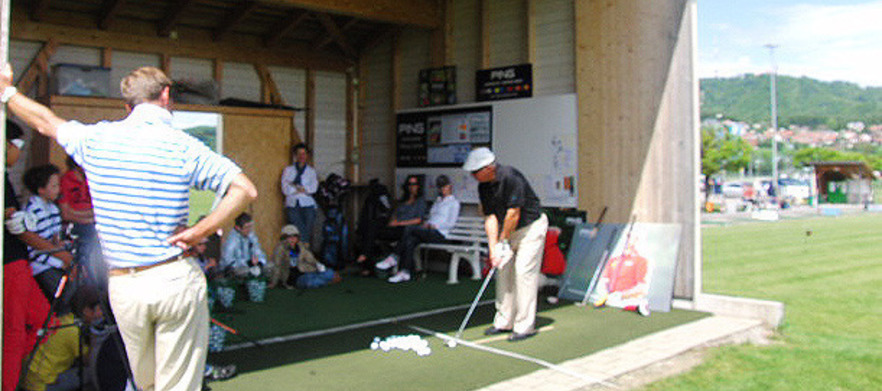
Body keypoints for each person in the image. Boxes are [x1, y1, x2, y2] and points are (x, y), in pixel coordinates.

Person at [0, 65, 258, 391]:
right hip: (173, 277)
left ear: (127, 105)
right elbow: (245, 190)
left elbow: (46, 123)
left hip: (124, 286)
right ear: (165, 96)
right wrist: (200, 230)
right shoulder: (182, 145)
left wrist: (8, 93)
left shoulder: (98, 138)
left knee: (141, 384)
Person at [462, 147, 548, 342]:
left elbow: (513, 214)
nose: (473, 176)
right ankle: (503, 321)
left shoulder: (511, 177)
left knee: (523, 272)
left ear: (489, 168)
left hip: (530, 228)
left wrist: (503, 242)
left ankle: (524, 326)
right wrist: (494, 248)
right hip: (507, 231)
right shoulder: (483, 186)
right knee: (503, 272)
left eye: (476, 172)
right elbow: (491, 216)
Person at [3, 120, 52, 391]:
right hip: (11, 264)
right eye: (17, 146)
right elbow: (17, 227)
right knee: (14, 333)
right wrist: (59, 254)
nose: (19, 153)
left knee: (46, 321)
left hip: (19, 263)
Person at [375, 175, 460, 283]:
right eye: (440, 187)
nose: (442, 189)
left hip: (440, 233)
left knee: (409, 229)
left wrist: (435, 226)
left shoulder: (454, 203)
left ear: (450, 187)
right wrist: (427, 224)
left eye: (445, 186)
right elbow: (432, 217)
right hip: (428, 230)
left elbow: (451, 223)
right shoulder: (438, 201)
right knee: (410, 240)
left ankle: (394, 257)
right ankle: (404, 272)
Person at [22, 287, 104, 391]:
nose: (102, 313)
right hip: (43, 385)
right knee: (92, 373)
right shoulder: (73, 331)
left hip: (30, 377)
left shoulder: (66, 320)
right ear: (87, 311)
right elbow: (90, 360)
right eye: (100, 309)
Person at [22, 164, 76, 309]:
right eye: (54, 186)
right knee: (62, 295)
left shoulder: (52, 207)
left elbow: (55, 238)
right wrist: (61, 263)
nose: (58, 189)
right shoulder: (33, 211)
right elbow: (34, 251)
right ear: (41, 189)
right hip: (41, 264)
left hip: (55, 259)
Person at [354, 175, 426, 273]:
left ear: (418, 186)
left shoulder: (420, 201)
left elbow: (418, 220)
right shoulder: (403, 200)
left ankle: (367, 259)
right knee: (372, 226)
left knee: (402, 231)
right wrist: (392, 221)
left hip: (407, 230)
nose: (411, 186)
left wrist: (399, 223)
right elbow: (395, 214)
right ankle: (365, 256)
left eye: (414, 184)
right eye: (409, 184)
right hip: (395, 228)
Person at [58, 156, 105, 291]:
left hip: (93, 224)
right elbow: (66, 213)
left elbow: (99, 208)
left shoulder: (93, 178)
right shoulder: (66, 180)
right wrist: (90, 217)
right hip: (76, 227)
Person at [593, 234, 651, 316]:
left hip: (627, 297)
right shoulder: (614, 260)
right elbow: (604, 280)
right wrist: (605, 293)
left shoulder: (641, 261)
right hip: (611, 297)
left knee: (631, 302)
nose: (629, 243)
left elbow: (642, 288)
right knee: (602, 299)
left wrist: (623, 295)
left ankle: (637, 307)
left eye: (633, 240)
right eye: (627, 240)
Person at [270, 224, 341, 289]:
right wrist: (273, 283)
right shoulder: (280, 249)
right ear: (284, 238)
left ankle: (328, 277)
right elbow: (277, 266)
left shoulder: (300, 246)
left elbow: (310, 259)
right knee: (311, 283)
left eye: (294, 236)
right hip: (295, 279)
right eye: (289, 237)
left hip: (307, 272)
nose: (292, 239)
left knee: (329, 273)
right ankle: (328, 280)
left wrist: (318, 265)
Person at [281, 143, 319, 246]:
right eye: (299, 154)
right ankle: (304, 246)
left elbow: (313, 188)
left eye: (304, 154)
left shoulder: (311, 171)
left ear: (307, 156)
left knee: (308, 226)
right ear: (295, 156)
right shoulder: (288, 170)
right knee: (296, 228)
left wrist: (299, 188)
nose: (301, 156)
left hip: (307, 203)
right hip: (292, 203)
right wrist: (299, 189)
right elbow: (285, 189)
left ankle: (303, 248)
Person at [220, 212, 269, 279]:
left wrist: (259, 262)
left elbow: (259, 252)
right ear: (238, 228)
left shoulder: (251, 236)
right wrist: (247, 263)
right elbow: (228, 262)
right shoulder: (231, 240)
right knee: (246, 271)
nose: (249, 230)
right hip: (235, 269)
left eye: (250, 227)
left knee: (269, 267)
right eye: (246, 227)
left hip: (250, 265)